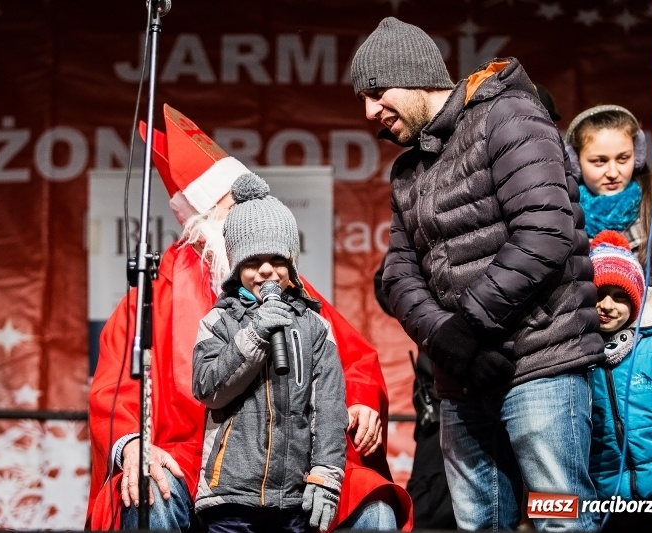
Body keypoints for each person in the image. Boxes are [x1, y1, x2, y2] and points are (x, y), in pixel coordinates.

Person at [85, 104, 413, 531]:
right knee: (151, 492)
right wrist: (132, 445)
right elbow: (114, 387)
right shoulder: (150, 297)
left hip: (294, 457)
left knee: (374, 510)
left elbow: (351, 358)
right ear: (204, 218)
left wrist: (363, 401)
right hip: (189, 456)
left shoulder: (287, 287)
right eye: (233, 205)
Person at [350, 16, 605, 531]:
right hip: (460, 381)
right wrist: (449, 341)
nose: (370, 112)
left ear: (414, 75)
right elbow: (397, 276)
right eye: (363, 100)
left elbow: (545, 230)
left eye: (376, 93)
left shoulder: (508, 115)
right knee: (478, 526)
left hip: (540, 365)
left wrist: (466, 327)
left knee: (561, 520)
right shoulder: (407, 171)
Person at [192, 173, 347, 532]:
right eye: (253, 261)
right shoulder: (219, 321)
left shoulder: (315, 326)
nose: (266, 270)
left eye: (277, 258)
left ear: (291, 264)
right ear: (237, 267)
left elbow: (329, 406)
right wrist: (256, 334)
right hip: (229, 497)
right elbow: (207, 389)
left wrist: (326, 473)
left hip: (295, 499)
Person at [587, 230, 652, 532]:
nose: (607, 305)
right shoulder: (580, 359)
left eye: (620, 296)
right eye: (599, 294)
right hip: (609, 499)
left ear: (635, 303)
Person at [564, 104, 652, 301]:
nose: (613, 172)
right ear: (575, 162)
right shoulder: (565, 217)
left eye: (623, 158)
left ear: (638, 156)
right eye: (599, 161)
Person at [373, 260, 456, 530]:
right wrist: (431, 317)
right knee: (430, 508)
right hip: (441, 393)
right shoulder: (422, 233)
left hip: (506, 383)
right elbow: (386, 282)